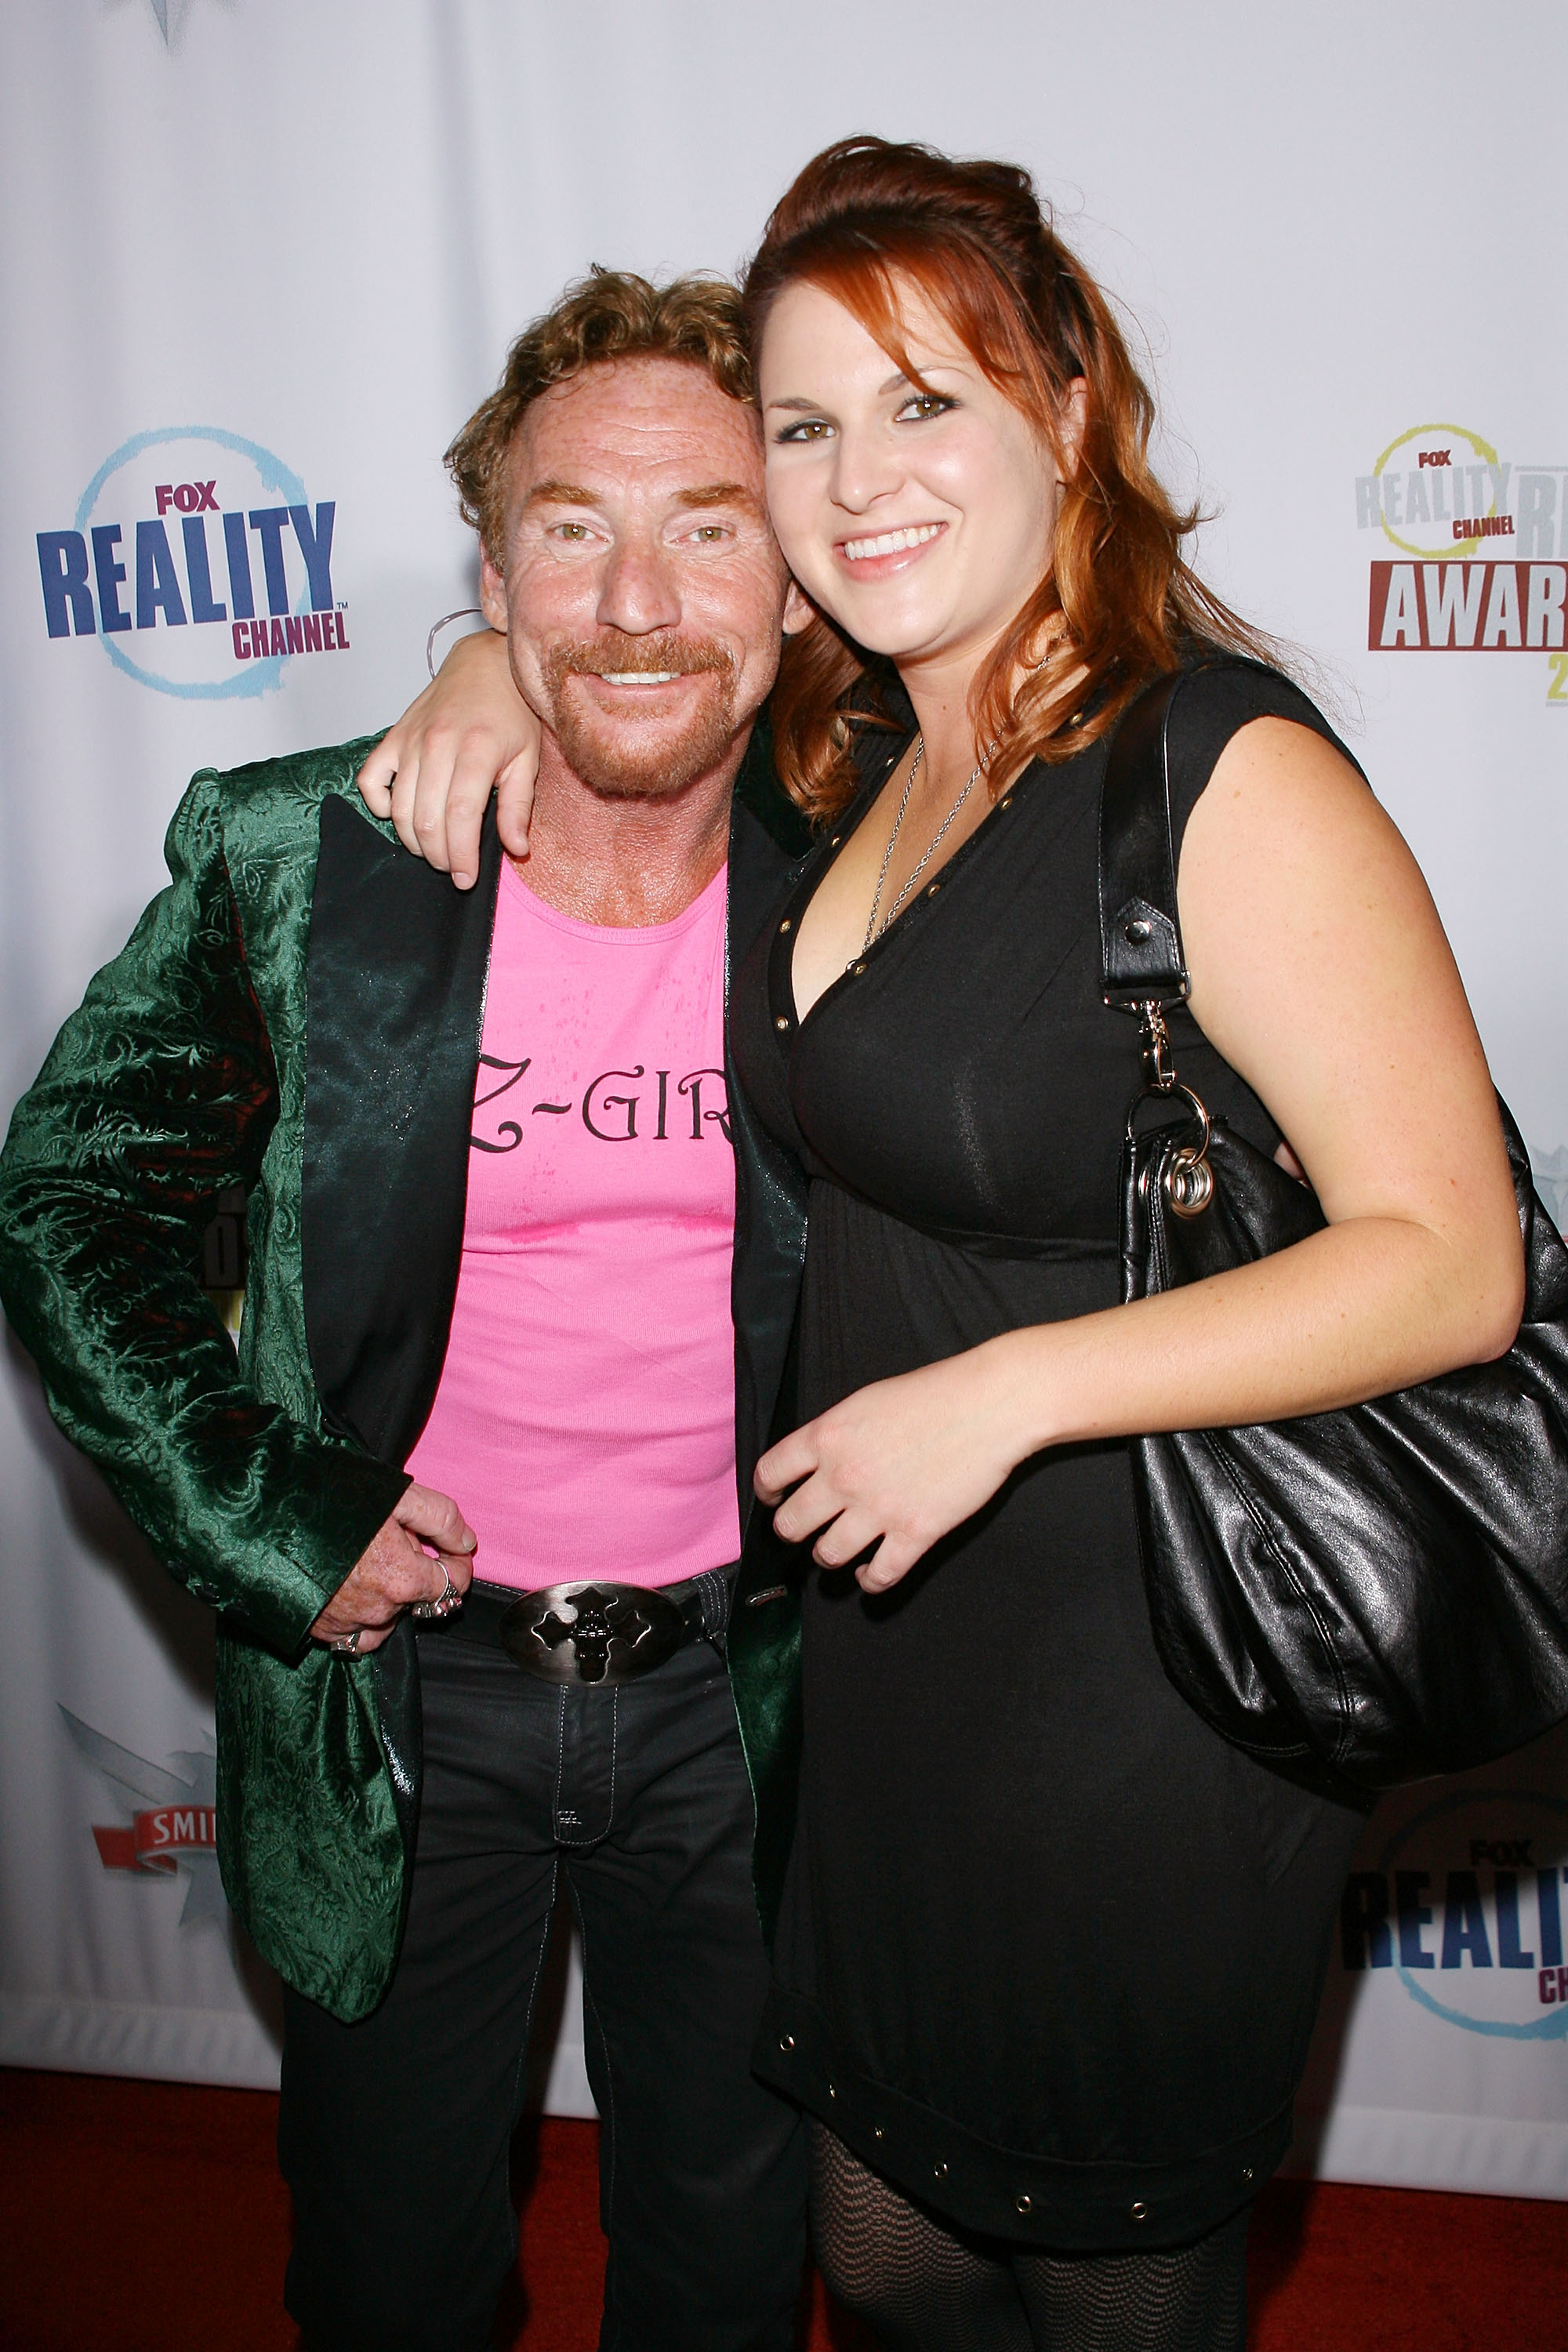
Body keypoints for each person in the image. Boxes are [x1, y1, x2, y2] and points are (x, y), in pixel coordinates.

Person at [370, 140, 1526, 2352]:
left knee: (1106, 2271)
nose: (855, 476)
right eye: (803, 424)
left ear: (1069, 409)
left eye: (927, 401)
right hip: (896, 1678)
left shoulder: (1211, 767)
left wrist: (1001, 1399)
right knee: (889, 2255)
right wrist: (488, 672)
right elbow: (630, 648)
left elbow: (1448, 1259)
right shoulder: (875, 756)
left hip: (1142, 1686)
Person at [0, 271, 822, 2352]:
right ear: (494, 568)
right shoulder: (306, 856)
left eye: (710, 524)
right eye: (572, 530)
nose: (638, 598)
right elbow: (69, 1195)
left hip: (763, 1704)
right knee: (386, 2263)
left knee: (732, 2261)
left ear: (801, 581)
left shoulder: (888, 873)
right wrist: (273, 1512)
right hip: (400, 1704)